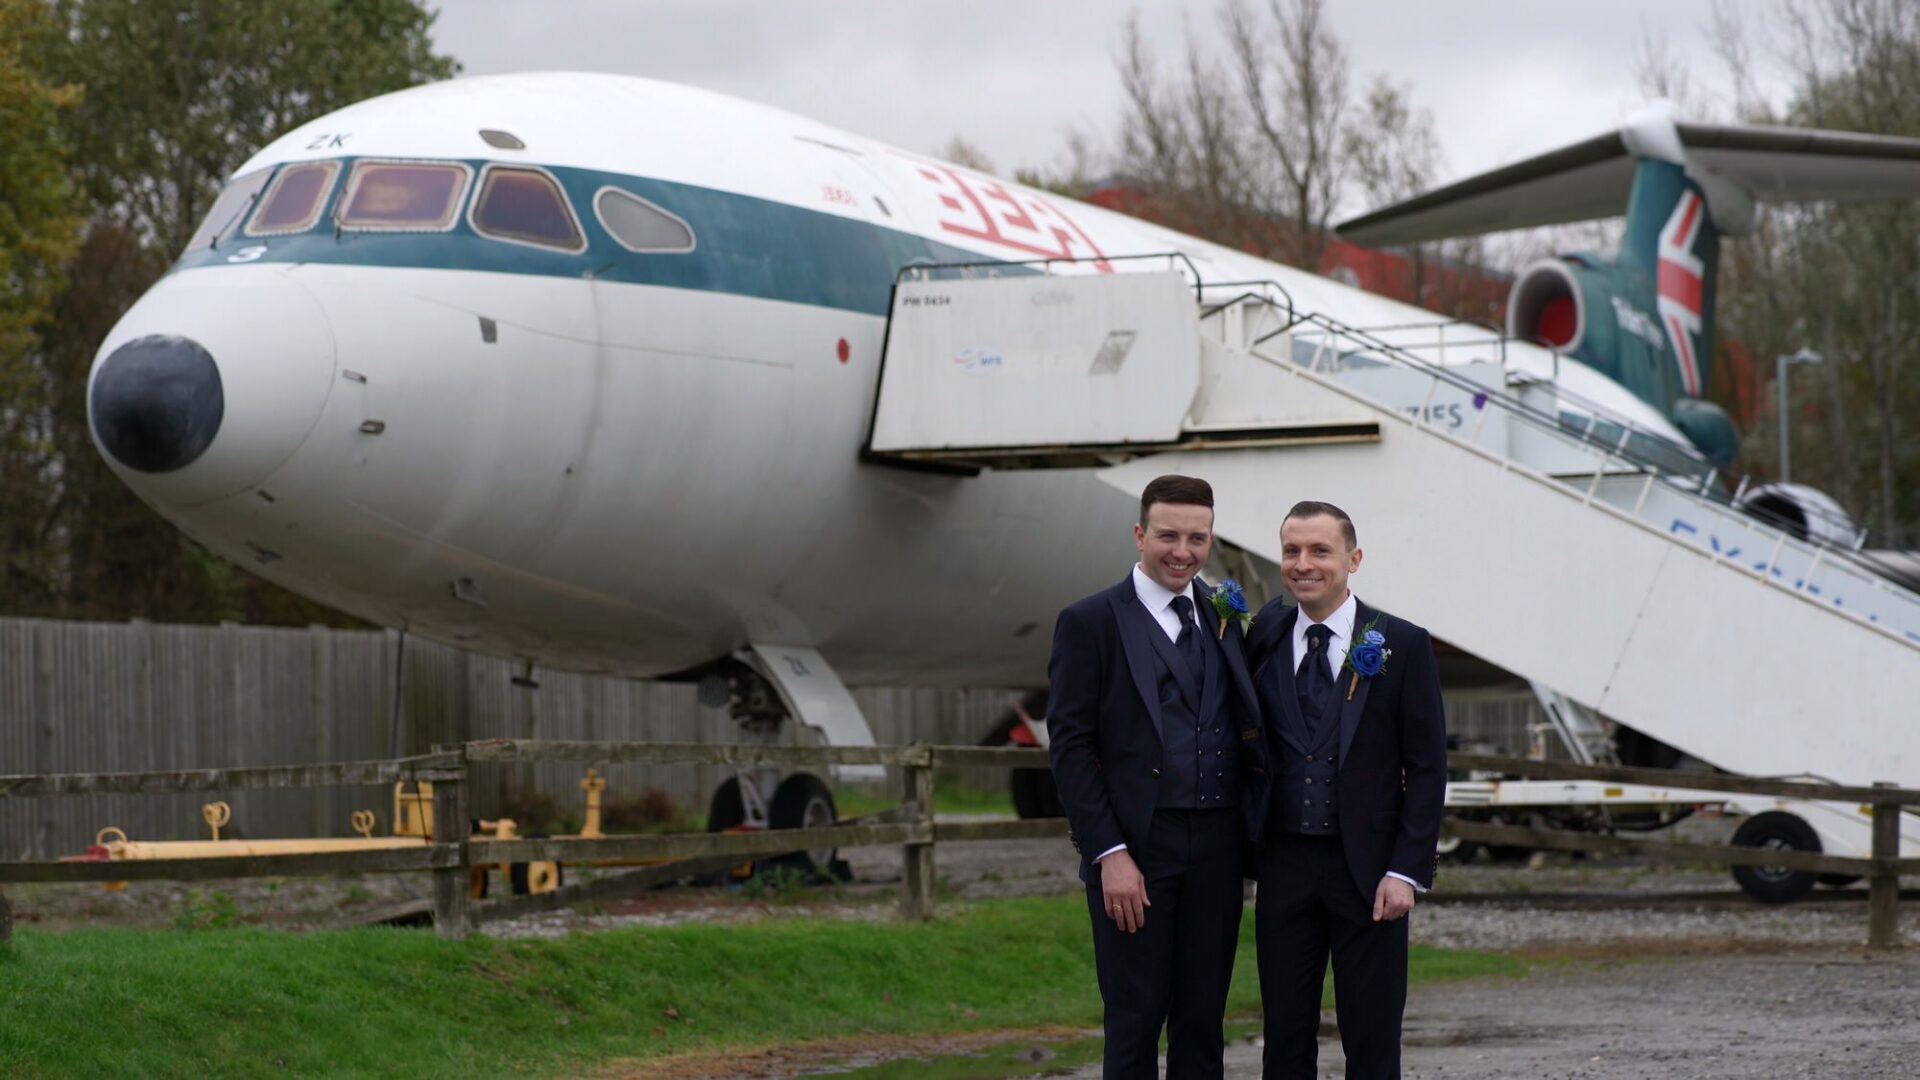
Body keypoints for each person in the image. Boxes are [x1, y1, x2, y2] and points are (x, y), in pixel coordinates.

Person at [1046, 474, 1269, 1079]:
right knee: (1135, 1018)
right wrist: (1108, 853)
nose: (1183, 551)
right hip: (1136, 848)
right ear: (1140, 534)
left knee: (1202, 1021)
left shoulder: (1223, 616)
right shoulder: (1089, 622)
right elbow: (1069, 747)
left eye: (1197, 538)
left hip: (1218, 847)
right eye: (1168, 535)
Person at [1245, 500, 1446, 1079]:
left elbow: (1428, 766)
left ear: (1353, 559)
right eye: (1291, 551)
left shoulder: (1400, 645)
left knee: (1372, 1035)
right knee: (1284, 1037)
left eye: (1319, 551)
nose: (1303, 564)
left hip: (1370, 871)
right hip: (1283, 865)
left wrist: (1407, 870)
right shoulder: (1263, 633)